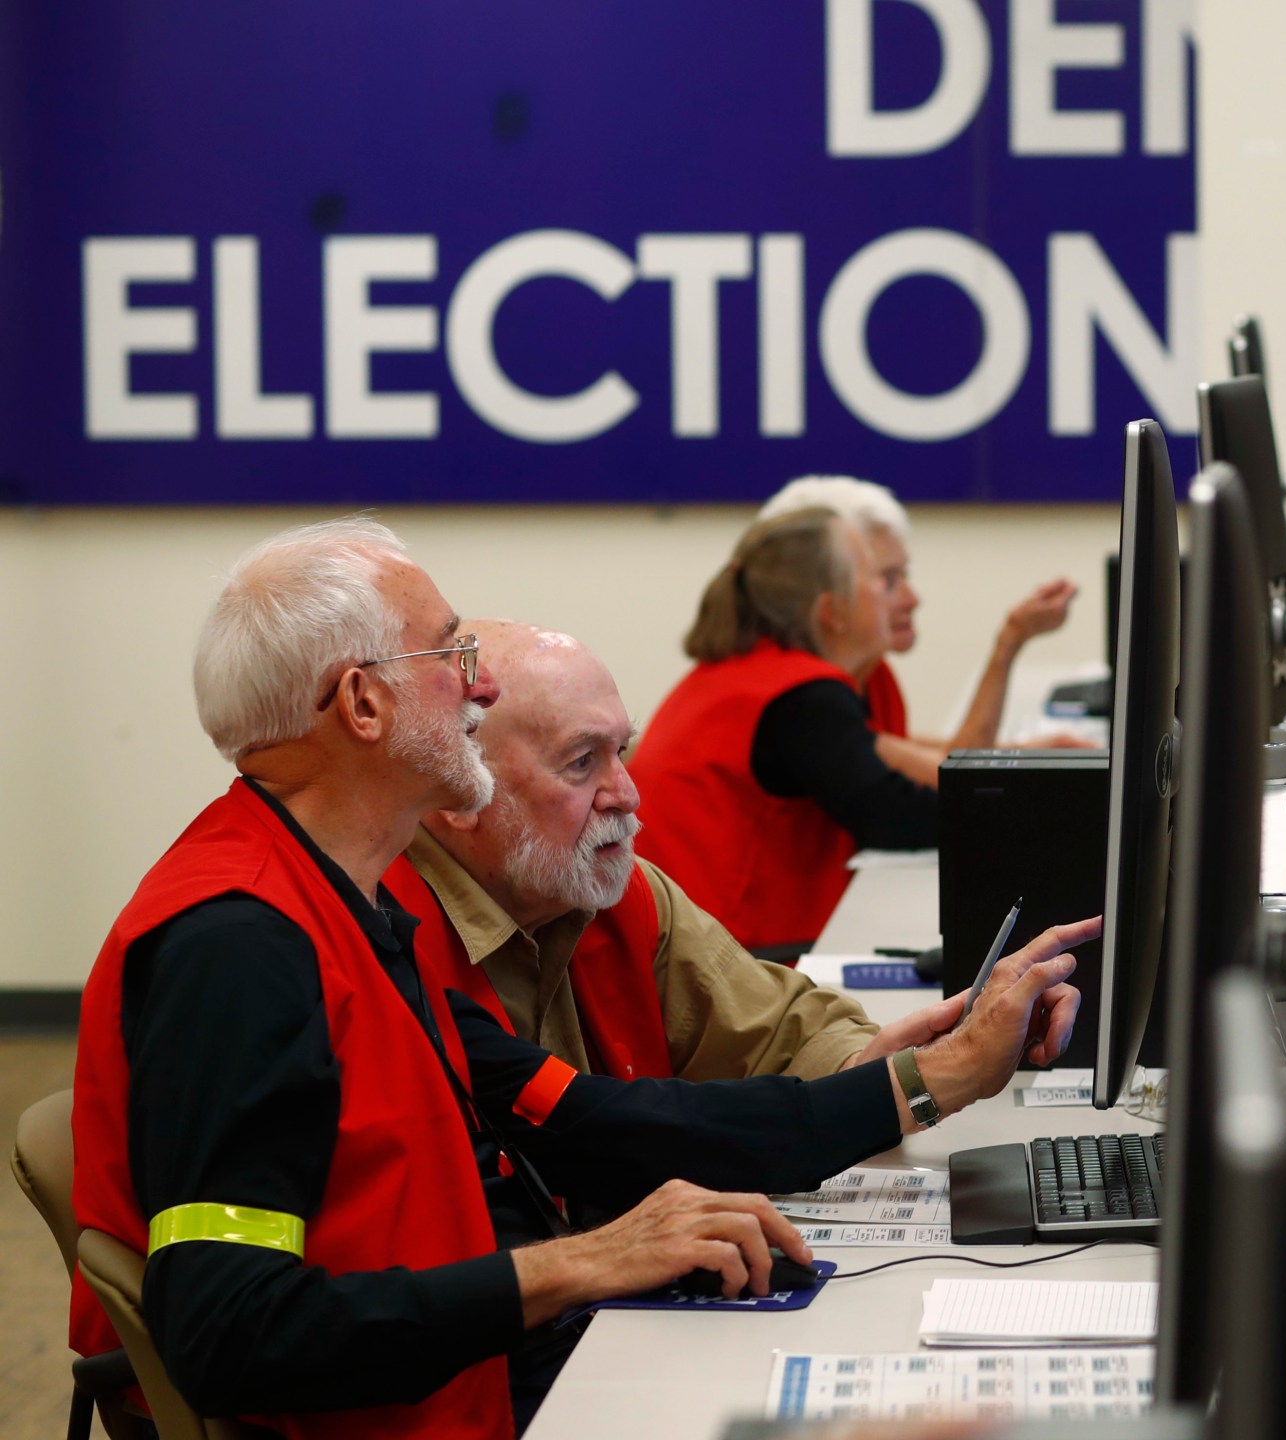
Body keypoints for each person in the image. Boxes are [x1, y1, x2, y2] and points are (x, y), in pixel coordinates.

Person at [71, 517, 1089, 1438]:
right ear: (364, 704)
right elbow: (227, 1332)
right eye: (452, 654)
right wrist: (576, 1265)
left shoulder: (343, 901)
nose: (477, 684)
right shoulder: (240, 943)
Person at [392, 620, 959, 1081]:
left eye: (621, 752)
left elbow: (786, 1032)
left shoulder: (617, 892)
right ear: (457, 791)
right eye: (582, 762)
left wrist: (902, 1070)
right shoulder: (381, 946)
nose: (627, 795)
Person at [628, 507, 935, 955]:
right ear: (833, 610)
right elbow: (889, 814)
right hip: (727, 961)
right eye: (879, 580)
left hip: (687, 943)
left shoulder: (743, 673)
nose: (897, 595)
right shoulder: (800, 696)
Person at [759, 475, 1081, 787]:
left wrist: (1020, 752)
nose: (912, 599)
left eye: (904, 575)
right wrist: (1010, 640)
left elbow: (906, 751)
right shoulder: (800, 700)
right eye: (886, 580)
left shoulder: (867, 674)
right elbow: (963, 783)